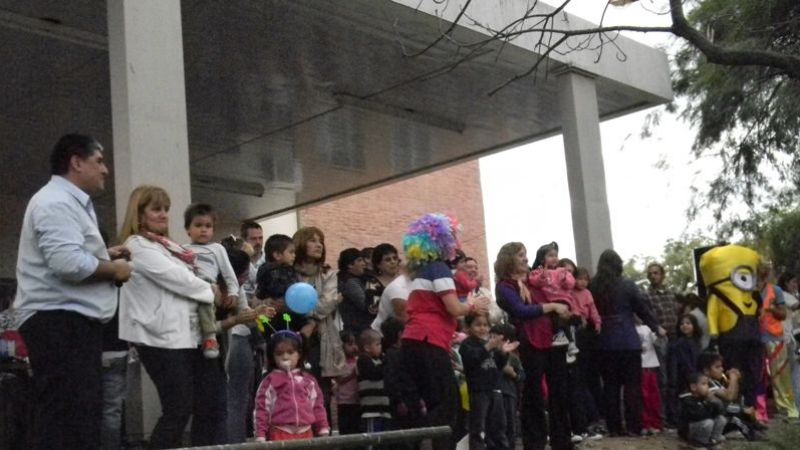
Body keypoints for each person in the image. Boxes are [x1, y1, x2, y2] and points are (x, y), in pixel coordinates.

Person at [12, 134, 132, 450]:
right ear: (76, 162)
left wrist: (105, 256)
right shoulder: (56, 202)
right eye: (99, 161)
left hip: (67, 322)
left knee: (75, 414)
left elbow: (68, 257)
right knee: (68, 417)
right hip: (59, 322)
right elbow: (67, 263)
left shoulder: (66, 202)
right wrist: (115, 269)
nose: (105, 170)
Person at [118, 185, 251, 447]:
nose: (163, 215)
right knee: (178, 409)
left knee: (210, 404)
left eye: (166, 209)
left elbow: (192, 277)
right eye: (156, 209)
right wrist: (209, 289)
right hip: (160, 339)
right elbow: (179, 280)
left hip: (191, 336)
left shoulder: (170, 247)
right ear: (139, 213)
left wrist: (208, 287)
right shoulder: (136, 245)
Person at [398, 213, 489, 450]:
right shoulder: (438, 269)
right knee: (447, 404)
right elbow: (453, 308)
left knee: (432, 403)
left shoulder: (423, 271)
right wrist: (473, 306)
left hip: (414, 340)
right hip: (429, 339)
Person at [494, 242, 572, 450]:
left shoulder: (534, 280)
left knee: (560, 392)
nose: (526, 259)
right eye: (521, 255)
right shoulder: (505, 287)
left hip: (553, 339)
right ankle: (535, 443)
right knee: (534, 395)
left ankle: (562, 441)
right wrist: (553, 306)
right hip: (530, 342)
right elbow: (521, 310)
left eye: (526, 254)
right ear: (509, 259)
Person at [590, 249, 665, 437]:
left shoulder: (594, 286)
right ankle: (634, 425)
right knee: (632, 386)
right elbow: (642, 309)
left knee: (610, 386)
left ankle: (614, 427)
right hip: (628, 340)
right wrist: (656, 327)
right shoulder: (628, 285)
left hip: (604, 342)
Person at [183, 203, 240, 359]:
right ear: (188, 229)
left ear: (213, 230)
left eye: (208, 226)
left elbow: (229, 274)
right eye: (198, 225)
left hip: (208, 286)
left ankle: (210, 337)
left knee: (205, 297)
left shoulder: (217, 249)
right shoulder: (182, 249)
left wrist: (233, 293)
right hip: (188, 286)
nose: (203, 229)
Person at [254, 330, 330, 441]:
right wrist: (260, 434)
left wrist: (323, 427)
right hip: (279, 432)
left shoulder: (309, 380)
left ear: (299, 354)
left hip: (306, 433)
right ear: (273, 356)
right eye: (279, 353)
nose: (285, 357)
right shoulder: (269, 381)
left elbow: (317, 406)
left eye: (290, 352)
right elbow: (262, 409)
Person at [459, 314, 517, 450]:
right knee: (478, 428)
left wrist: (503, 353)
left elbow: (499, 365)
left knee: (499, 426)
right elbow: (472, 359)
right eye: (478, 325)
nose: (482, 328)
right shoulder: (467, 344)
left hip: (495, 390)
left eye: (485, 325)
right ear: (468, 328)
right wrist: (488, 347)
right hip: (478, 391)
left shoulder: (490, 345)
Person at [697, 352, 767, 442]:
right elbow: (729, 397)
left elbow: (733, 395)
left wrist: (735, 379)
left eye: (721, 366)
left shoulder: (715, 382)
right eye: (717, 367)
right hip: (711, 421)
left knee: (740, 405)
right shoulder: (706, 384)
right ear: (706, 370)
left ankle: (754, 426)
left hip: (719, 417)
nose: (722, 369)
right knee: (736, 418)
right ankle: (751, 434)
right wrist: (733, 378)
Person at [757, 264, 798, 419]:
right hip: (755, 339)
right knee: (760, 375)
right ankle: (762, 410)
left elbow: (782, 314)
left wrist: (771, 310)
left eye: (763, 273)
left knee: (781, 375)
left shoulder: (776, 291)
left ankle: (788, 408)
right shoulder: (749, 292)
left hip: (775, 337)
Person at [642, 262, 680, 425]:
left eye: (656, 273)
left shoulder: (671, 293)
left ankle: (674, 415)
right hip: (660, 338)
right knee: (662, 379)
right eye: (650, 273)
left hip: (675, 337)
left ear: (662, 274)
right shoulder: (646, 295)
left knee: (675, 378)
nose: (653, 276)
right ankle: (662, 416)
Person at [528, 242, 576, 348]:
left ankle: (562, 335)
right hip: (550, 301)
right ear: (542, 259)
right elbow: (534, 281)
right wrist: (542, 277)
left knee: (558, 317)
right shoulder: (538, 272)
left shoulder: (562, 271)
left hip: (563, 299)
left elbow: (571, 283)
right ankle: (570, 342)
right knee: (554, 317)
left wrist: (564, 279)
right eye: (550, 256)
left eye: (556, 255)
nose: (554, 258)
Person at [492, 323, 525, 448]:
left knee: (510, 425)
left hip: (509, 394)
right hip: (493, 395)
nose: (493, 341)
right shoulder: (488, 355)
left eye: (497, 338)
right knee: (496, 426)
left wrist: (513, 374)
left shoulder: (513, 358)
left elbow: (522, 376)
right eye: (491, 337)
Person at [358, 328, 392, 437]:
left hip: (384, 410)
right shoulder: (363, 360)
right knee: (372, 440)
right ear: (367, 348)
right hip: (371, 411)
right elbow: (374, 374)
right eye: (377, 345)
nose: (380, 348)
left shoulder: (381, 360)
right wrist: (386, 362)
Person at [668, 314, 704, 416]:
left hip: (695, 374)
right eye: (682, 324)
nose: (685, 326)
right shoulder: (679, 343)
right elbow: (683, 362)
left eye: (688, 323)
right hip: (684, 376)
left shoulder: (697, 341)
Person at [677, 373, 726, 448]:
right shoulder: (687, 399)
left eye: (707, 384)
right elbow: (699, 415)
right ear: (693, 387)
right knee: (708, 422)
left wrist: (715, 402)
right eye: (704, 384)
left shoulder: (704, 397)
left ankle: (713, 440)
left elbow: (720, 412)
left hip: (702, 424)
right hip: (688, 430)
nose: (707, 387)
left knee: (721, 419)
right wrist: (707, 403)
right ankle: (698, 443)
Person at [364, 243, 401, 327]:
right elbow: (372, 310)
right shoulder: (373, 284)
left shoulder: (405, 279)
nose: (393, 262)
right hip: (384, 328)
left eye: (395, 258)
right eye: (388, 260)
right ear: (378, 265)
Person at [338, 248, 373, 334]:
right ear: (350, 265)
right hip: (358, 330)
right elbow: (366, 305)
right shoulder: (350, 282)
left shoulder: (354, 279)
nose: (363, 263)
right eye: (359, 260)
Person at [637, 321, 663, 435]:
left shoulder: (648, 327)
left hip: (651, 366)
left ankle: (655, 423)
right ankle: (645, 423)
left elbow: (658, 341)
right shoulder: (630, 328)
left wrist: (659, 332)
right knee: (644, 397)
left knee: (654, 397)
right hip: (640, 367)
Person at [335, 330, 361, 435]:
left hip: (357, 401)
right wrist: (352, 375)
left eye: (355, 344)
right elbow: (338, 380)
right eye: (350, 344)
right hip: (344, 402)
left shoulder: (358, 360)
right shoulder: (339, 362)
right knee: (346, 430)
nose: (354, 347)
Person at [241, 220, 265, 299]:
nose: (258, 242)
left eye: (260, 238)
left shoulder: (269, 260)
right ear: (244, 240)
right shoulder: (237, 261)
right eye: (253, 239)